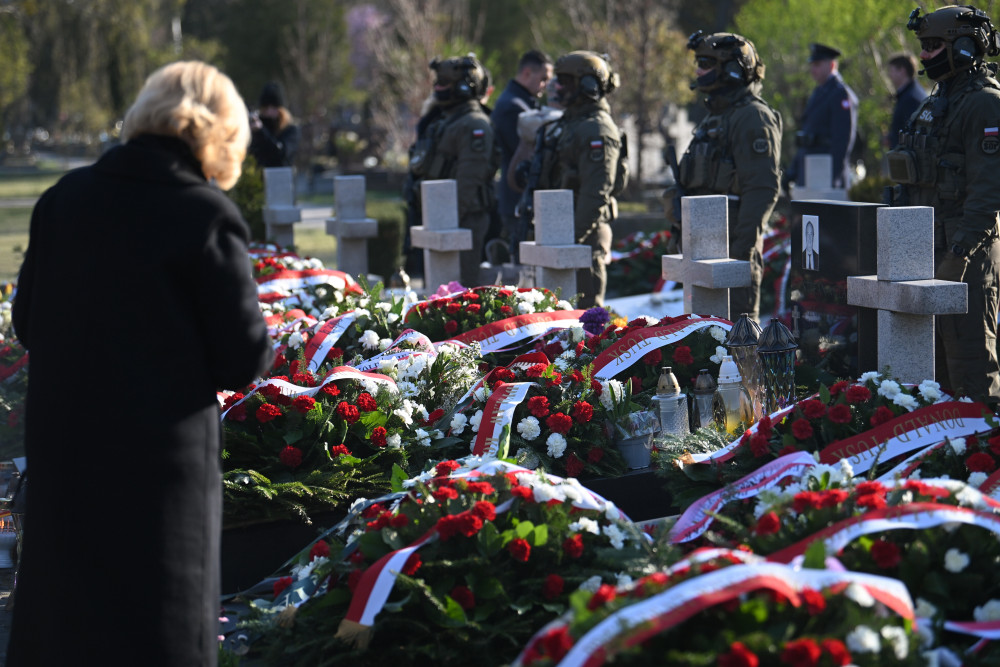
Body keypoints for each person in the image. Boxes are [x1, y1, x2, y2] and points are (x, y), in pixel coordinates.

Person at [7, 61, 274, 665]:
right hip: (157, 471)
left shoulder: (64, 199)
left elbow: (28, 323)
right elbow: (240, 357)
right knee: (155, 629)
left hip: (68, 450)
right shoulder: (203, 213)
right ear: (221, 134)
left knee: (66, 622)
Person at [887, 5, 1000, 402]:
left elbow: (988, 191)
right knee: (934, 371)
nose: (923, 55)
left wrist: (959, 253)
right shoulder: (936, 101)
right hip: (926, 249)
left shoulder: (984, 103)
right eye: (923, 46)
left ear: (964, 48)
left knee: (970, 364)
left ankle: (984, 437)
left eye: (933, 46)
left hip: (965, 255)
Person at [664, 31, 782, 320]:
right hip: (704, 249)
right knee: (703, 335)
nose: (698, 70)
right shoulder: (717, 116)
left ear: (732, 69)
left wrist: (739, 255)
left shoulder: (752, 116)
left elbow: (762, 188)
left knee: (737, 337)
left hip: (731, 249)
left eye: (705, 63)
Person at [535, 50, 626, 307]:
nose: (558, 87)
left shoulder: (596, 128)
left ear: (587, 86)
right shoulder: (570, 124)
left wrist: (569, 240)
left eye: (565, 81)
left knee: (586, 318)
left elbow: (596, 193)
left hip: (584, 237)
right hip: (563, 233)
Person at [407, 53, 498, 287]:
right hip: (440, 218)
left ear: (465, 87)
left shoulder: (474, 124)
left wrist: (447, 221)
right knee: (436, 288)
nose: (438, 88)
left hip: (464, 220)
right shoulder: (446, 120)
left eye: (445, 83)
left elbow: (469, 181)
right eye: (437, 82)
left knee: (459, 289)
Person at [491, 50, 553, 263]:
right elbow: (527, 155)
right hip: (519, 199)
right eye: (543, 79)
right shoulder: (513, 107)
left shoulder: (519, 102)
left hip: (520, 199)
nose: (545, 85)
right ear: (527, 73)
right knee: (525, 270)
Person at [787, 43, 858, 189]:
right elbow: (807, 136)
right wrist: (793, 171)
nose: (813, 69)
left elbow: (843, 140)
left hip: (827, 172)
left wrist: (833, 176)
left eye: (817, 65)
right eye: (812, 65)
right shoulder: (819, 92)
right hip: (812, 169)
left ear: (832, 65)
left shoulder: (840, 94)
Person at [249, 81, 300, 167]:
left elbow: (281, 154)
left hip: (281, 174)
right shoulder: (259, 127)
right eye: (266, 108)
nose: (269, 111)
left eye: (274, 107)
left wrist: (261, 131)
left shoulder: (291, 130)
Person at [887, 52, 928, 148]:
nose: (889, 75)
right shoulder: (908, 94)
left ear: (902, 70)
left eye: (891, 70)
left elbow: (913, 134)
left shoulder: (911, 98)